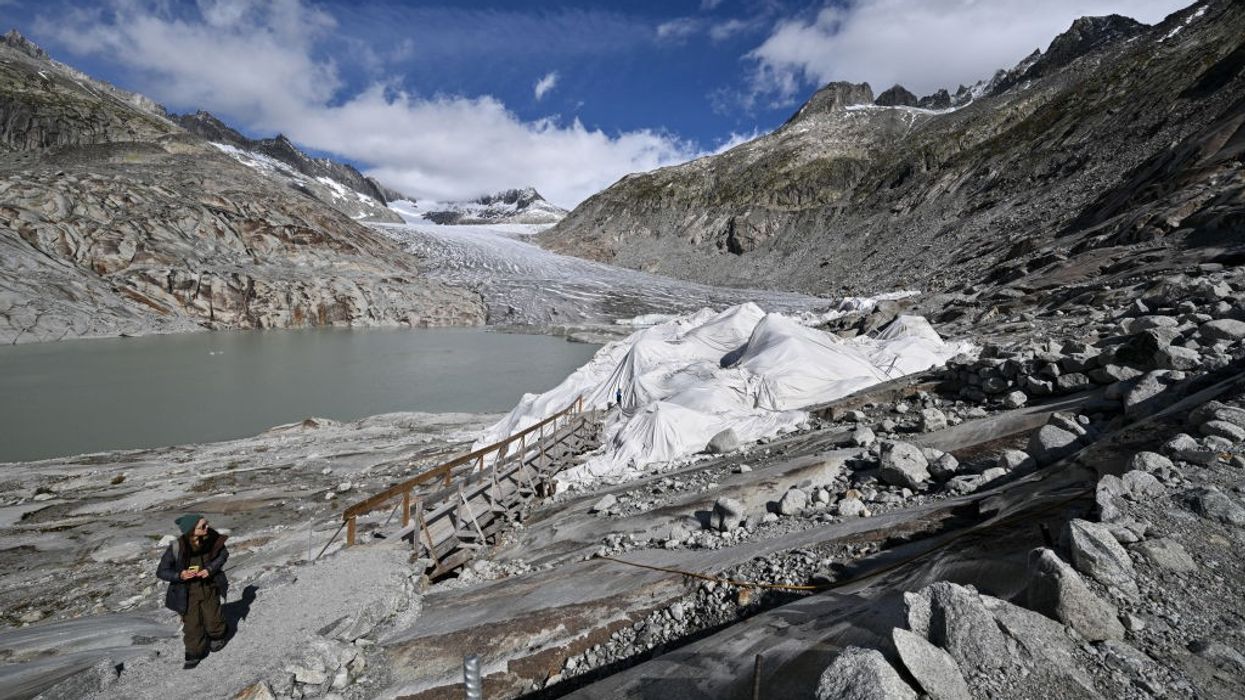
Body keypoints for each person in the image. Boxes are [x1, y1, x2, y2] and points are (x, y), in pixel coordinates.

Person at [157, 513, 230, 669]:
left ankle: (217, 636)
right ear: (191, 531)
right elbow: (162, 571)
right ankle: (194, 652)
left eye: (206, 523)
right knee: (192, 625)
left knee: (213, 616)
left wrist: (210, 569)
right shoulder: (177, 547)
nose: (207, 527)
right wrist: (180, 575)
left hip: (209, 586)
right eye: (202, 526)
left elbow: (223, 554)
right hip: (187, 592)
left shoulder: (212, 538)